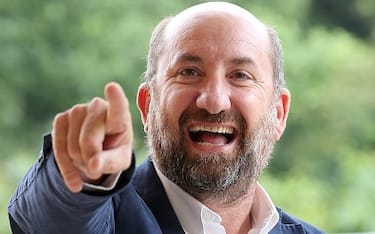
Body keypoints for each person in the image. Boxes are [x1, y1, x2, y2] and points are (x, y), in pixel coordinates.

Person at [8, 2, 324, 234]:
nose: (214, 100)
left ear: (279, 113)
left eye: (240, 75)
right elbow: (52, 219)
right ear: (147, 106)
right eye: (189, 72)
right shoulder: (107, 219)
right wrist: (79, 175)